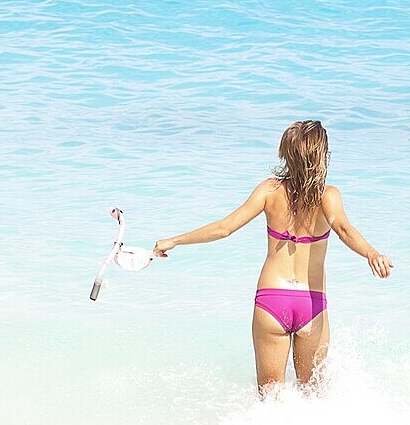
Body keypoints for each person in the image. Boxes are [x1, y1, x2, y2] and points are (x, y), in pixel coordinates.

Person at [153, 120, 393, 394]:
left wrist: (174, 240)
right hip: (311, 304)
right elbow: (344, 230)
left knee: (270, 399)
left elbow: (224, 228)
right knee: (314, 396)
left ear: (286, 154)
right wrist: (371, 253)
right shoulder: (329, 196)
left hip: (272, 300)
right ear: (321, 156)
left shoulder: (269, 190)